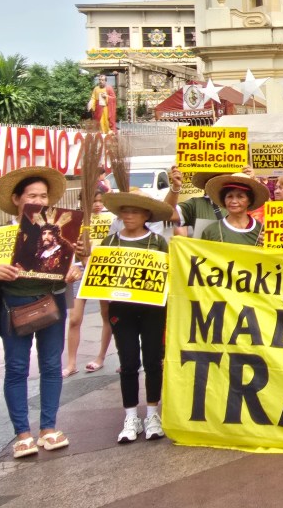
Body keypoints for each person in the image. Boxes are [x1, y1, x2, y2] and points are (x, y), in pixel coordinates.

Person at [0, 165, 77, 458]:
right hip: (14, 306)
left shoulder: (60, 232)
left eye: (44, 196)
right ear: (17, 199)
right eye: (32, 195)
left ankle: (48, 428)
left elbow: (75, 263)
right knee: (17, 368)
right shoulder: (3, 234)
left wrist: (74, 270)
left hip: (52, 302)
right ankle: (22, 433)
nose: (39, 201)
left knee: (51, 365)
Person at [100, 190, 172, 443]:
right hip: (122, 310)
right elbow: (99, 279)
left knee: (153, 360)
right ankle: (131, 416)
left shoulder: (157, 242)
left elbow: (167, 276)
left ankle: (152, 412)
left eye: (134, 211)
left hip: (153, 309)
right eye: (125, 211)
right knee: (128, 362)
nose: (128, 216)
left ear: (146, 215)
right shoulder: (109, 243)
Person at [64, 190, 113, 378]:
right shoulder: (73, 220)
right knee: (75, 318)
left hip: (103, 269)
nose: (98, 205)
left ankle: (100, 357)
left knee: (107, 315)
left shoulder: (110, 220)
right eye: (94, 201)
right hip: (79, 270)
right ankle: (71, 363)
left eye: (101, 201)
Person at [201, 173, 269, 245]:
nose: (234, 201)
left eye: (240, 196)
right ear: (224, 200)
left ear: (249, 200)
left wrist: (267, 246)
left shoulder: (262, 230)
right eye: (230, 196)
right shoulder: (211, 231)